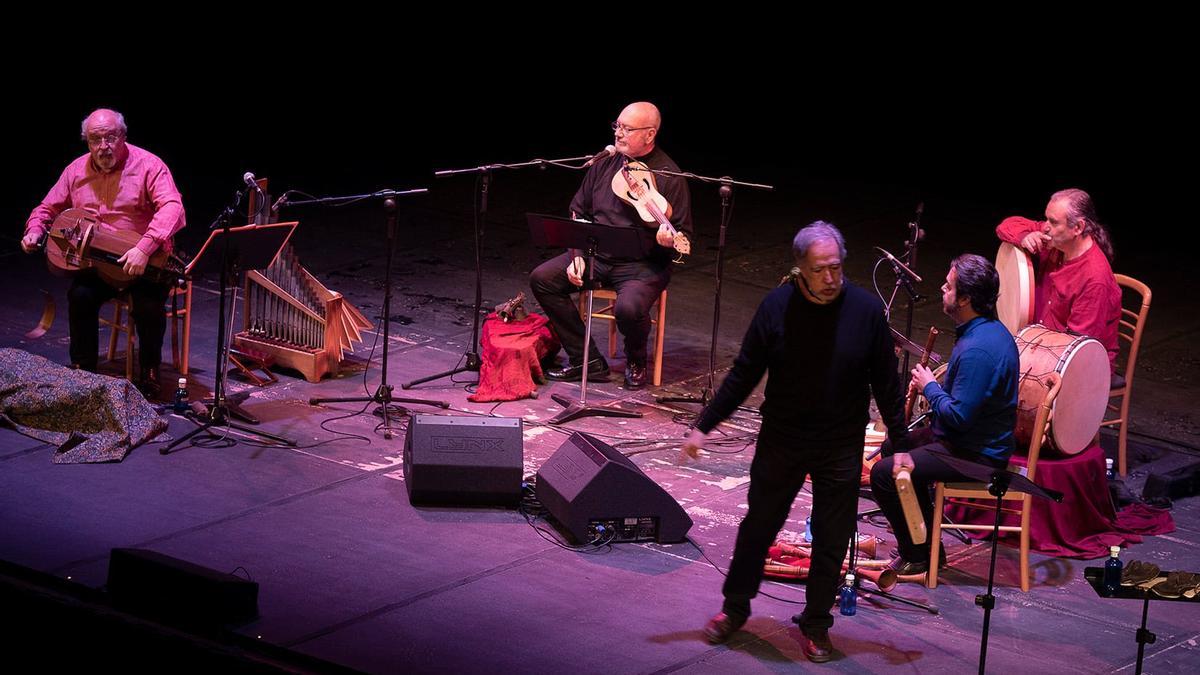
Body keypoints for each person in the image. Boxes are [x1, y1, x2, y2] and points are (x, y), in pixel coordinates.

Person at [680, 221, 907, 663]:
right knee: (759, 526)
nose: (830, 278)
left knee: (832, 534)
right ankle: (735, 608)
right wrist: (705, 424)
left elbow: (886, 382)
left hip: (841, 442)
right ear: (799, 269)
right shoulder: (777, 307)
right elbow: (745, 372)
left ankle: (817, 623)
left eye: (836, 268)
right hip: (783, 437)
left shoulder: (864, 311)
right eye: (820, 270)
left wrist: (899, 445)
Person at [869, 254, 1020, 575]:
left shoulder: (979, 349)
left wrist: (929, 387)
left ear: (965, 299)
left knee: (883, 474)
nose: (942, 288)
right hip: (964, 441)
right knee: (893, 447)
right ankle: (925, 544)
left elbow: (959, 418)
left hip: (975, 455)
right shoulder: (986, 331)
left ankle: (918, 555)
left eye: (949, 287)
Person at [21, 108, 186, 395]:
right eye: (95, 140)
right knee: (80, 296)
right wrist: (35, 228)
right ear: (87, 141)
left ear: (123, 136)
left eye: (110, 138)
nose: (103, 147)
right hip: (98, 262)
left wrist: (144, 248)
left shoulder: (149, 164)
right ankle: (83, 372)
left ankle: (149, 372)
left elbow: (174, 207)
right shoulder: (75, 170)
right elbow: (47, 208)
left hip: (142, 260)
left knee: (148, 306)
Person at [529, 101, 691, 389]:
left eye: (627, 129)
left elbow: (682, 233)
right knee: (542, 279)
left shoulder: (669, 175)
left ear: (650, 134)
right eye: (617, 126)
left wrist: (669, 239)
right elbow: (579, 210)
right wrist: (577, 253)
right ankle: (587, 360)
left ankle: (636, 360)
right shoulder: (605, 163)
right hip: (597, 254)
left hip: (642, 265)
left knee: (627, 308)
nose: (618, 134)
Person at [995, 188, 1120, 374]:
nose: (1045, 226)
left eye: (1053, 222)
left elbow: (1077, 347)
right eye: (1046, 219)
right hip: (1040, 339)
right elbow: (1006, 225)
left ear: (1077, 228)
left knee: (996, 373)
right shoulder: (1056, 241)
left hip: (1073, 363)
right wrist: (1024, 237)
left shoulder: (1094, 279)